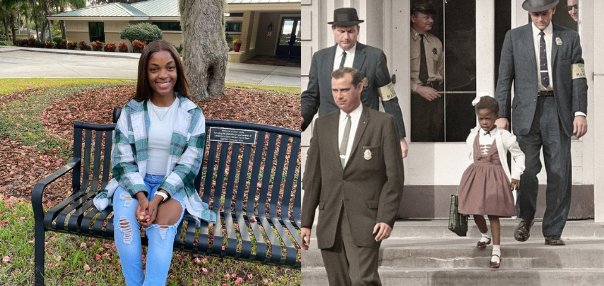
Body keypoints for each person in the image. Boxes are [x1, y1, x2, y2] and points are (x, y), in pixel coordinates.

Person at [93, 40, 215, 285]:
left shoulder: (192, 113)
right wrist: (141, 197)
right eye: (154, 68)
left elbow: (189, 166)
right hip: (133, 184)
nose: (163, 75)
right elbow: (122, 160)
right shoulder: (132, 111)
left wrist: (158, 198)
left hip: (173, 187)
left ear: (178, 71)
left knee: (160, 230)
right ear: (145, 73)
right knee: (126, 223)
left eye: (169, 67)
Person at [494, 0, 588, 246]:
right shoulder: (514, 38)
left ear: (553, 10)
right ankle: (525, 217)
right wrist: (501, 115)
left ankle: (553, 230)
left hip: (558, 110)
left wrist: (580, 112)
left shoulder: (569, 38)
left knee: (559, 172)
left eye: (544, 14)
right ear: (529, 13)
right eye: (536, 15)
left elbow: (578, 77)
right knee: (526, 170)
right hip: (526, 113)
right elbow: (504, 79)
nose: (540, 19)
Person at [301, 67, 404, 285]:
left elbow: (394, 177)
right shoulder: (322, 125)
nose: (339, 96)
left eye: (345, 89)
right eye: (335, 90)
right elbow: (312, 178)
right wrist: (306, 222)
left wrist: (386, 217)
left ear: (359, 87)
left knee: (363, 280)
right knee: (338, 281)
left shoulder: (383, 123)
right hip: (330, 218)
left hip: (366, 219)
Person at [301, 7, 409, 158]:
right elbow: (312, 96)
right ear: (333, 29)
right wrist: (300, 119)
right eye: (341, 31)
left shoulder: (374, 57)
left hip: (364, 133)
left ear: (358, 30)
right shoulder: (320, 58)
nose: (346, 37)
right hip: (328, 133)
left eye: (350, 31)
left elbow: (388, 97)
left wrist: (399, 136)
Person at [458, 96, 525, 268]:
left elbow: (519, 155)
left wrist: (516, 175)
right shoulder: (473, 135)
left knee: (493, 213)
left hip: (495, 177)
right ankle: (484, 235)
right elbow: (470, 155)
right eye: (481, 118)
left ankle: (496, 251)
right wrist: (466, 180)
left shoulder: (504, 136)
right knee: (475, 211)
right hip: (476, 176)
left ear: (496, 117)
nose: (485, 122)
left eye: (488, 118)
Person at [409, 2, 444, 142]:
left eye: (432, 17)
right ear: (413, 18)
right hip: (412, 97)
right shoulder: (403, 41)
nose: (431, 21)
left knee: (435, 134)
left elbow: (440, 70)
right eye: (426, 17)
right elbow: (396, 74)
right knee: (417, 136)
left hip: (433, 97)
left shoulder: (435, 42)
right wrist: (417, 88)